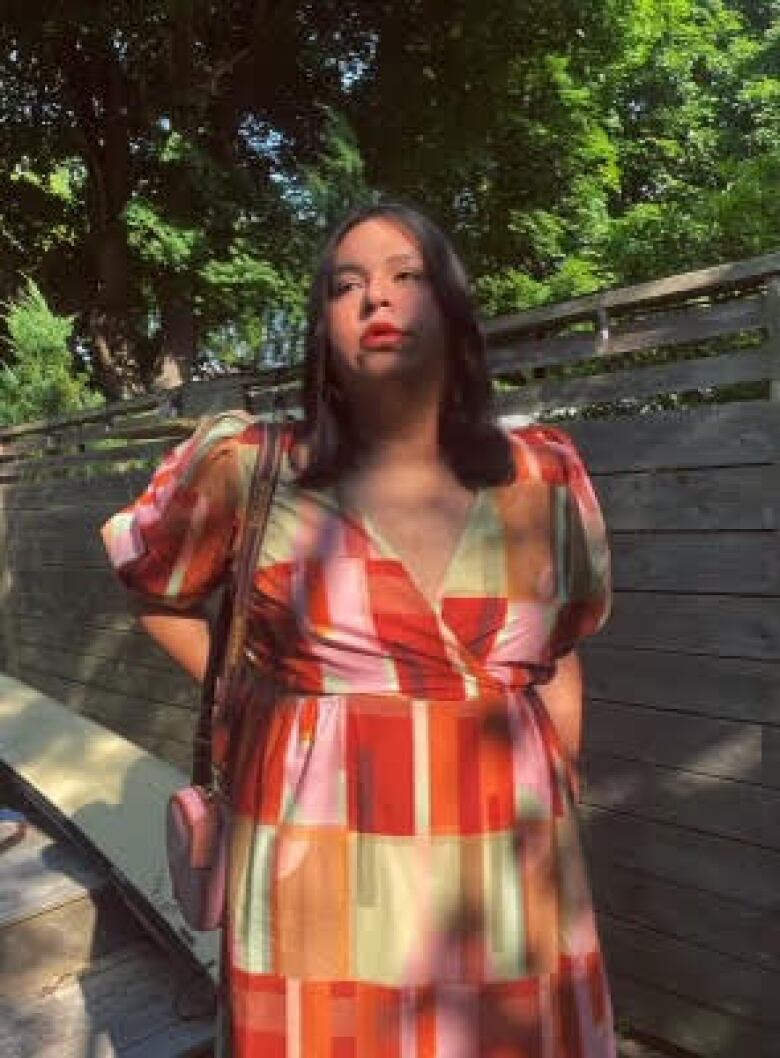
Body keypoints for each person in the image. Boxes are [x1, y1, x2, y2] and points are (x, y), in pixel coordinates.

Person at [101, 202, 615, 1057]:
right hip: (316, 874)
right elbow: (150, 582)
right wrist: (248, 701)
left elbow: (559, 652)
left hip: (508, 875)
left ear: (453, 311)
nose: (376, 296)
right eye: (347, 284)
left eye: (406, 275)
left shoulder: (546, 477)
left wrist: (558, 777)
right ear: (323, 328)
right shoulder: (253, 463)